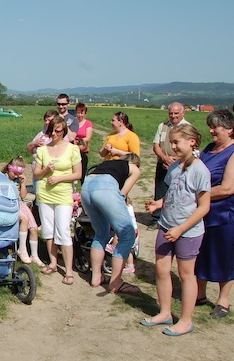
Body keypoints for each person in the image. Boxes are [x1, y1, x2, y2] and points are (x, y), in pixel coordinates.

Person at [143, 124, 211, 336]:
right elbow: (173, 193)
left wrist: (181, 229)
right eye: (170, 142)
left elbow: (204, 207)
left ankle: (186, 321)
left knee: (185, 275)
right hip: (166, 226)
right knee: (161, 269)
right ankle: (165, 313)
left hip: (188, 232)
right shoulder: (174, 167)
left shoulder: (200, 170)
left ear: (192, 142)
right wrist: (158, 204)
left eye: (176, 142)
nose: (172, 147)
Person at [196, 109, 234, 319]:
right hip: (204, 211)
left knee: (224, 256)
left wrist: (197, 195)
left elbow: (228, 188)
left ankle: (223, 300)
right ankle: (199, 294)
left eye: (215, 127)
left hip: (226, 214)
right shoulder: (210, 149)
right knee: (200, 253)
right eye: (210, 126)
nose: (211, 131)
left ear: (229, 129)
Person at [80, 154, 142, 293]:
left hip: (86, 186)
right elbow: (122, 195)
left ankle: (96, 277)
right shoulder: (133, 168)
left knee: (100, 233)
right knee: (127, 234)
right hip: (104, 187)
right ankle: (116, 283)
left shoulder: (108, 164)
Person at [33, 116, 82, 284]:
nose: (54, 134)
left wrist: (60, 178)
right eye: (51, 130)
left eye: (58, 131)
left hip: (63, 194)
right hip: (45, 193)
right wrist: (46, 170)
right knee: (48, 230)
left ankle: (68, 270)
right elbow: (36, 174)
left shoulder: (72, 149)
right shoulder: (42, 150)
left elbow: (78, 174)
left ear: (63, 131)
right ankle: (53, 263)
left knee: (63, 230)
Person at [149, 102, 190, 230]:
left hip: (180, 165)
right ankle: (157, 219)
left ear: (183, 113)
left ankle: (175, 219)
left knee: (177, 191)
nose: (173, 116)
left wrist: (176, 160)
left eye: (176, 113)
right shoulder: (163, 126)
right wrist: (164, 158)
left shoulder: (188, 128)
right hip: (163, 163)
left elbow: (191, 149)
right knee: (160, 190)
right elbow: (156, 145)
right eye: (171, 113)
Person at [3, 156, 45, 267]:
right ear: (9, 168)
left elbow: (23, 196)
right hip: (9, 204)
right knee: (24, 219)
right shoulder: (3, 178)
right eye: (14, 173)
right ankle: (22, 249)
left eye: (19, 173)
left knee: (34, 228)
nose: (16, 176)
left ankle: (34, 255)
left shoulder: (18, 180)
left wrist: (23, 183)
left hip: (20, 203)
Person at [74, 102, 93, 183]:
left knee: (82, 174)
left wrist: (78, 141)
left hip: (83, 152)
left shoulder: (88, 123)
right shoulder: (73, 122)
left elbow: (88, 137)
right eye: (78, 112)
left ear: (85, 113)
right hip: (73, 150)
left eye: (81, 113)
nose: (79, 115)